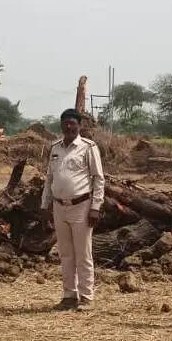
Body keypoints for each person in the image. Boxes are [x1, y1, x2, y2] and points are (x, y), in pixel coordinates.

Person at [40, 108, 105, 311]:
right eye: (65, 123)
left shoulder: (88, 147)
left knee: (83, 253)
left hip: (82, 206)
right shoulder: (55, 148)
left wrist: (95, 207)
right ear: (61, 125)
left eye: (72, 123)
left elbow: (98, 178)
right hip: (60, 206)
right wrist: (45, 204)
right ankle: (69, 295)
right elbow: (49, 178)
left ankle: (86, 296)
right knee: (66, 254)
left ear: (79, 126)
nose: (68, 126)